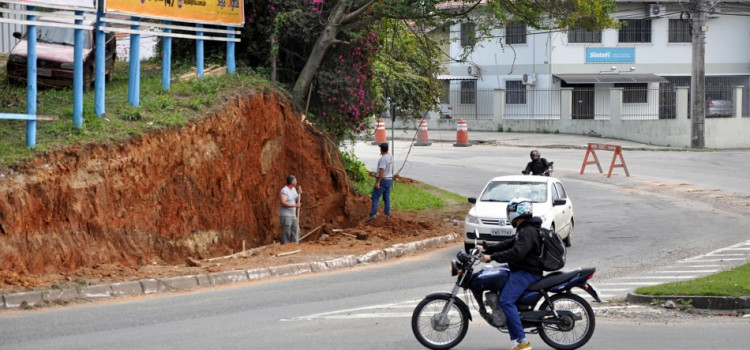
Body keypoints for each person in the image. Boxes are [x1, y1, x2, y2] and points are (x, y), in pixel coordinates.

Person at [478, 198, 543, 350]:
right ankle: (516, 342)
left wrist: (491, 258)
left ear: (516, 212)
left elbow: (517, 252)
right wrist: (488, 248)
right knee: (498, 278)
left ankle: (523, 343)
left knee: (506, 301)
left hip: (527, 272)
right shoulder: (526, 228)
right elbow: (509, 243)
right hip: (522, 268)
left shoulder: (528, 231)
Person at [367, 142, 394, 221]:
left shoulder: (383, 159)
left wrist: (378, 182)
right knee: (386, 198)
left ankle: (373, 214)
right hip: (389, 179)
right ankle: (387, 214)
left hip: (383, 180)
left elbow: (382, 171)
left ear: (381, 149)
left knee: (375, 197)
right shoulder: (390, 156)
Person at [279, 175, 300, 244]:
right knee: (286, 231)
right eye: (295, 180)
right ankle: (285, 246)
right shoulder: (284, 190)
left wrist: (300, 194)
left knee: (296, 230)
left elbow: (296, 198)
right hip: (286, 215)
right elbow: (283, 203)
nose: (296, 181)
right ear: (291, 182)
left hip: (293, 215)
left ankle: (295, 244)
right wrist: (295, 205)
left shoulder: (293, 189)